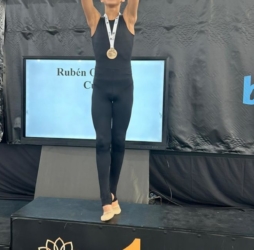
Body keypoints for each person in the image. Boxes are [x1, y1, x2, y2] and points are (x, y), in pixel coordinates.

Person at [80, 0, 139, 221]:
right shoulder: (94, 20)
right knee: (102, 141)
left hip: (125, 90)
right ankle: (105, 200)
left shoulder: (129, 19)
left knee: (119, 141)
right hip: (101, 90)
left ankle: (113, 194)